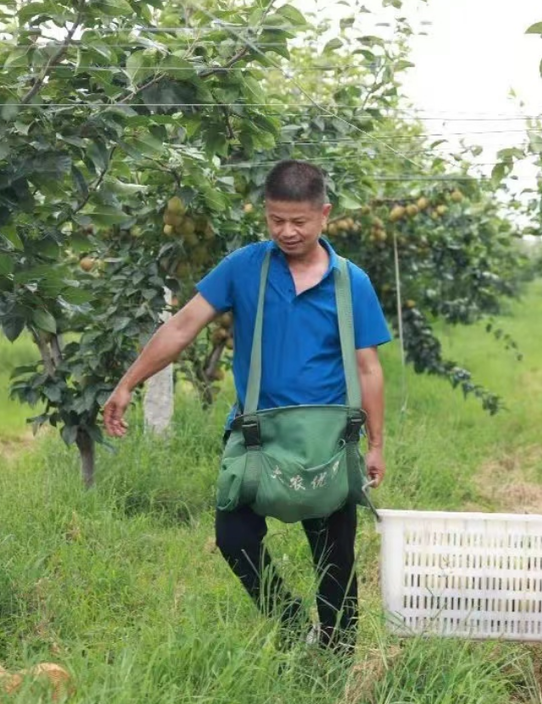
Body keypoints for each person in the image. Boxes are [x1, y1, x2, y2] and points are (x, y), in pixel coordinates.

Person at [102, 159, 392, 654]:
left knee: (334, 558)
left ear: (324, 214)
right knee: (234, 538)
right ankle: (290, 622)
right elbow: (182, 326)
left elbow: (368, 368)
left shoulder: (351, 282)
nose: (287, 231)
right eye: (276, 219)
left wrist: (377, 443)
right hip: (259, 434)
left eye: (299, 221)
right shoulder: (245, 267)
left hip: (326, 437)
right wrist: (129, 382)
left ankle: (338, 659)